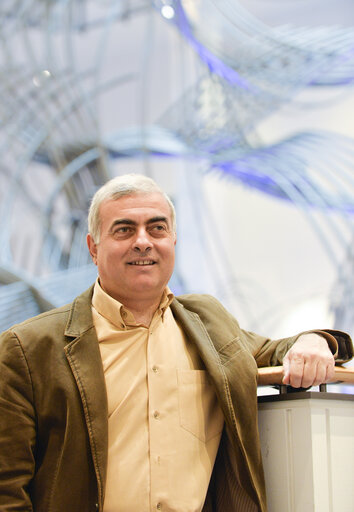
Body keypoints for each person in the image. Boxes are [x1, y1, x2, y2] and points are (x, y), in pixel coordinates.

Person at [0, 174, 352, 512]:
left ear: (173, 240)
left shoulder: (209, 323)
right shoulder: (28, 349)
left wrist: (315, 341)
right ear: (94, 247)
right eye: (124, 229)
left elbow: (272, 351)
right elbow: (7, 488)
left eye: (157, 228)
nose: (143, 241)